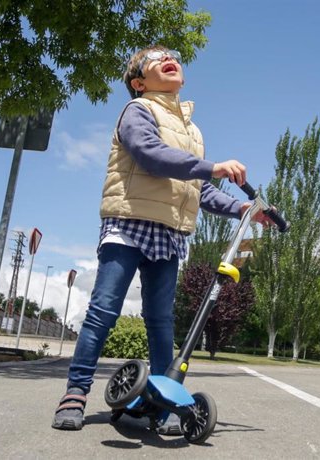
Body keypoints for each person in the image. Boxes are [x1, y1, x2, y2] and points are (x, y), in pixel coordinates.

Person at [52, 45, 272, 433]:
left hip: (169, 230)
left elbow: (199, 189)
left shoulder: (192, 131)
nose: (168, 59)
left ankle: (162, 399)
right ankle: (75, 392)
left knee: (160, 321)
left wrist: (244, 210)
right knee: (104, 311)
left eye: (172, 56)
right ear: (139, 82)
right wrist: (214, 167)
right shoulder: (138, 111)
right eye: (155, 59)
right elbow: (150, 155)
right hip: (130, 221)